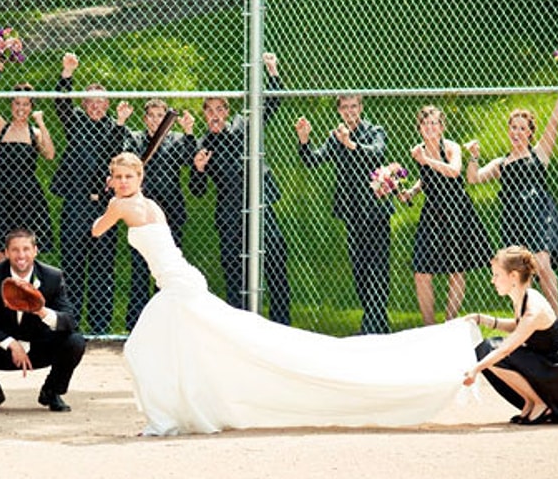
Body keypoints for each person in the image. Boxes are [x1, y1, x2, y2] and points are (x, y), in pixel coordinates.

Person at [92, 153, 480, 436]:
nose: (123, 181)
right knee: (183, 348)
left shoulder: (121, 204)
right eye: (118, 176)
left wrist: (102, 197)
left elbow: (96, 230)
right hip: (181, 283)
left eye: (128, 176)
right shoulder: (145, 202)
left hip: (180, 288)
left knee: (140, 348)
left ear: (139, 177)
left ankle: (165, 418)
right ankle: (180, 411)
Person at [190, 52, 290, 323]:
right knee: (234, 270)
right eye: (209, 110)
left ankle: (281, 323)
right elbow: (197, 190)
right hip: (230, 214)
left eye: (219, 109)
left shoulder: (244, 126)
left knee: (275, 261)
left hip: (259, 207)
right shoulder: (203, 145)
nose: (215, 115)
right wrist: (198, 170)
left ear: (227, 111)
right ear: (204, 115)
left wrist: (273, 72)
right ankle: (242, 325)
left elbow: (272, 105)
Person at [464, 73, 558, 319]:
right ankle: (526, 324)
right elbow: (473, 177)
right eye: (513, 127)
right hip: (514, 218)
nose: (517, 132)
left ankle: (554, 322)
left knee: (543, 266)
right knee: (521, 276)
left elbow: (555, 120)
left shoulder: (539, 154)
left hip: (539, 214)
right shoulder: (501, 163)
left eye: (522, 128)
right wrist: (473, 155)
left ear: (530, 132)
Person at [0, 228, 86, 413]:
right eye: (15, 250)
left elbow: (69, 321)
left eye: (26, 249)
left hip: (39, 347)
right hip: (3, 350)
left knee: (75, 342)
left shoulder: (52, 277)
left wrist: (40, 310)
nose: (21, 255)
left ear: (35, 251)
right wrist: (9, 343)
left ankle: (52, 392)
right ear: (7, 253)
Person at [295, 94, 392, 333]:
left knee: (377, 267)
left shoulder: (375, 131)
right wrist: (304, 139)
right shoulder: (335, 136)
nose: (350, 111)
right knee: (359, 269)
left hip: (375, 210)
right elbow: (312, 160)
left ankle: (372, 325)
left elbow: (377, 153)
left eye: (354, 106)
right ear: (339, 110)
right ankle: (377, 322)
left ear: (361, 108)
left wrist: (352, 145)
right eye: (345, 107)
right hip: (352, 211)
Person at [51, 52, 131, 333]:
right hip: (76, 203)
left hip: (105, 206)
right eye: (91, 101)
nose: (96, 106)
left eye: (101, 102)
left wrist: (120, 123)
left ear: (107, 104)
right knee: (72, 266)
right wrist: (67, 73)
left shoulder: (116, 127)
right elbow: (61, 104)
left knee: (102, 267)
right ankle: (69, 326)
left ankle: (100, 329)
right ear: (84, 104)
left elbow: (118, 158)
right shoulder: (75, 122)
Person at [463, 246, 558, 425]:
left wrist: (475, 369)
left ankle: (540, 403)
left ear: (513, 276)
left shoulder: (533, 307)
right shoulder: (521, 297)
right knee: (486, 349)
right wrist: (483, 319)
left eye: (496, 275)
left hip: (557, 371)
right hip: (543, 363)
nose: (492, 280)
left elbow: (507, 348)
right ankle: (532, 401)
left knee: (490, 351)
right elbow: (519, 327)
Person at [400, 105, 491, 324]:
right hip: (432, 212)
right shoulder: (418, 150)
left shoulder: (451, 147)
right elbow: (427, 177)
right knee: (421, 271)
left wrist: (426, 161)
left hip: (455, 211)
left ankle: (450, 323)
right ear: (419, 128)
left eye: (434, 123)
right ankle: (430, 327)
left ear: (442, 127)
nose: (430, 127)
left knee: (456, 269)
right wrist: (411, 191)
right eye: (425, 123)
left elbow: (454, 170)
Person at [0, 58, 56, 263]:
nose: (21, 108)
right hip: (0, 193)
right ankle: (2, 293)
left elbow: (50, 154)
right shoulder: (1, 127)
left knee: (24, 255)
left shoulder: (34, 133)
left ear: (31, 107)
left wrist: (41, 123)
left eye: (26, 104)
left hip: (27, 196)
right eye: (17, 103)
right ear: (11, 104)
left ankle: (23, 293)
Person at [123, 100, 196, 330]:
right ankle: (136, 324)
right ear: (145, 119)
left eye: (160, 116)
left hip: (170, 213)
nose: (155, 120)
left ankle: (166, 323)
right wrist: (121, 122)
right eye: (151, 116)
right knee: (139, 270)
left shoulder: (174, 139)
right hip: (141, 213)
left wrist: (189, 132)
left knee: (167, 269)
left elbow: (189, 158)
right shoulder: (135, 139)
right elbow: (121, 156)